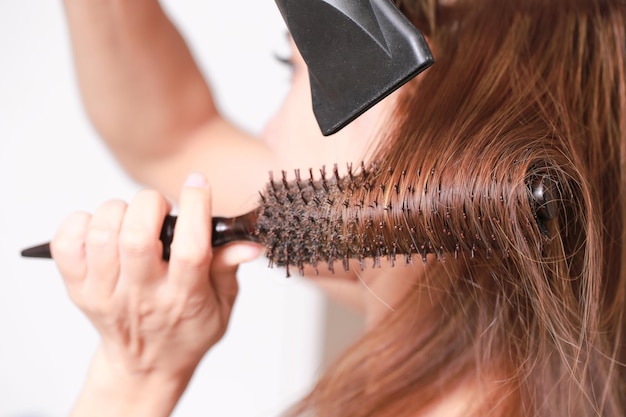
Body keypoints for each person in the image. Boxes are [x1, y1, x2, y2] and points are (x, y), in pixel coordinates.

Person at [50, 0, 626, 416]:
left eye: (294, 67)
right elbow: (172, 134)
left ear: (417, 106)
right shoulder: (480, 301)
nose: (267, 133)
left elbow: (175, 138)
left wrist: (133, 380)